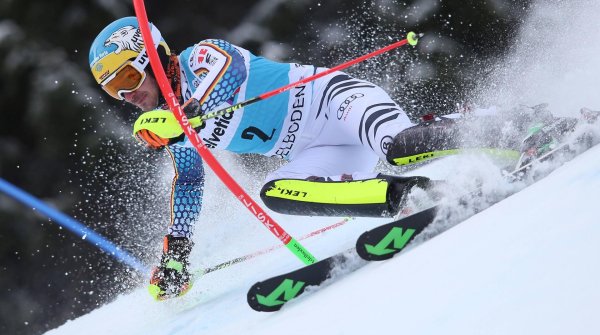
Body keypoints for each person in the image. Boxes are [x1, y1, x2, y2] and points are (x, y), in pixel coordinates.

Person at [88, 17, 569, 300]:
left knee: (400, 146)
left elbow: (227, 83)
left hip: (336, 103)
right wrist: (176, 254)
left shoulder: (204, 58)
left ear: (153, 58)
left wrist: (184, 117)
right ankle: (409, 199)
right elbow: (190, 185)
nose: (125, 96)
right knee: (278, 191)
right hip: (319, 150)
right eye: (113, 91)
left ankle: (516, 127)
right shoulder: (177, 134)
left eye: (128, 80)